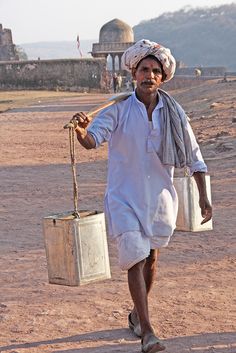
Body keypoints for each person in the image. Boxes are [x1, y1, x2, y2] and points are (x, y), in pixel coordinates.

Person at [71, 39, 212, 353]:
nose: (150, 75)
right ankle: (148, 331)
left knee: (150, 259)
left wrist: (204, 196)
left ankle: (137, 314)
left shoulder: (174, 113)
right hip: (123, 195)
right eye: (144, 69)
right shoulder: (117, 107)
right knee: (135, 256)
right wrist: (82, 132)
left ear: (162, 77)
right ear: (134, 73)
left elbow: (194, 155)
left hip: (161, 198)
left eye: (155, 71)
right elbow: (94, 140)